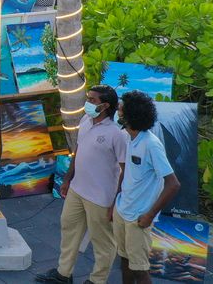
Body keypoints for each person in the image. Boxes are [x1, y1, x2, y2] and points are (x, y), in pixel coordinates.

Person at [37, 85, 127, 284]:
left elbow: (125, 169)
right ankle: (63, 273)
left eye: (92, 100)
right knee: (69, 228)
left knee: (102, 241)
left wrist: (117, 202)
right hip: (78, 189)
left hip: (101, 197)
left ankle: (97, 280)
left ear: (105, 106)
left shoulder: (116, 134)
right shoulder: (86, 120)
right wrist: (68, 179)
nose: (88, 102)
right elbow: (78, 151)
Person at [113, 90, 181, 284]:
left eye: (121, 107)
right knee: (124, 260)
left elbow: (173, 184)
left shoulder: (151, 144)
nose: (118, 110)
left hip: (138, 217)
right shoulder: (128, 138)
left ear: (130, 114)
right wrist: (116, 204)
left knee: (140, 270)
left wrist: (150, 215)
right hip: (123, 210)